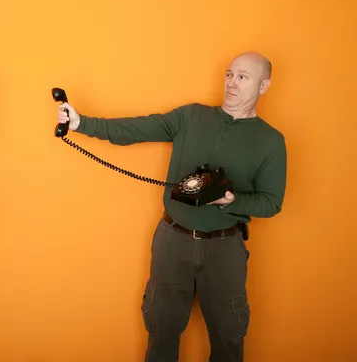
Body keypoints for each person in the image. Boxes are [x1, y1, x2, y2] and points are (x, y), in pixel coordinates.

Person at [56, 52, 287, 362]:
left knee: (228, 339)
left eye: (242, 77)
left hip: (225, 248)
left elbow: (271, 202)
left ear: (263, 86)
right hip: (172, 241)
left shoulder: (271, 141)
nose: (231, 82)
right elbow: (139, 128)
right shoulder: (191, 116)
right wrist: (81, 123)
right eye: (229, 74)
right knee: (161, 332)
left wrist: (231, 200)